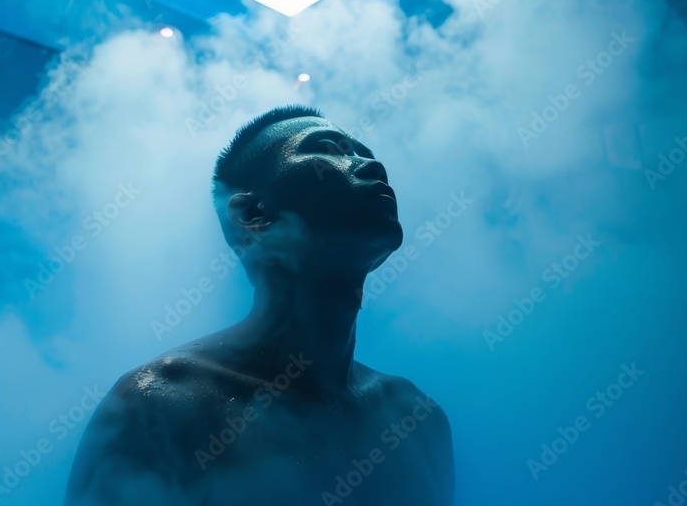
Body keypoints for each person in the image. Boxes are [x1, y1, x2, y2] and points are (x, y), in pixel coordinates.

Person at [64, 105, 455, 505]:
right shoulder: (160, 405)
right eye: (327, 148)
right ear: (253, 214)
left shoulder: (418, 419)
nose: (372, 165)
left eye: (364, 152)